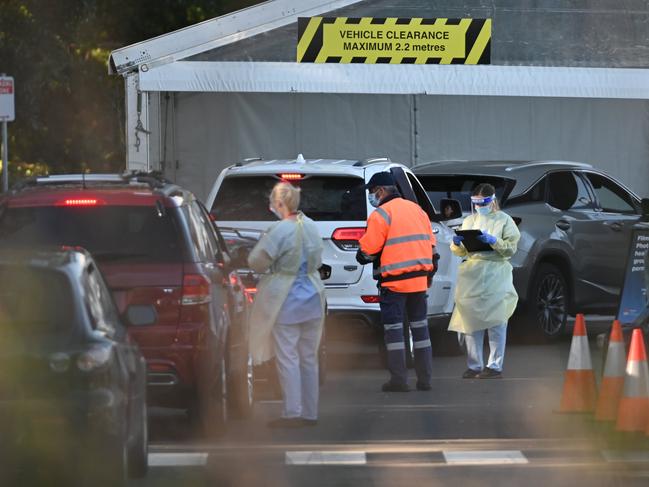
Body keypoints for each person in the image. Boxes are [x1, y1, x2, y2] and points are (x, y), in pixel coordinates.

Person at [248, 182, 325, 428]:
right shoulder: (312, 226)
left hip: (287, 298)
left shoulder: (279, 231)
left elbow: (256, 261)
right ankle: (310, 413)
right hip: (313, 295)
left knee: (288, 357)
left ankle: (292, 412)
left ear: (279, 204)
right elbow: (318, 258)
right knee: (309, 357)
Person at [356, 172, 437, 392]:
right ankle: (425, 380)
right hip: (419, 282)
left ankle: (399, 380)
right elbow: (431, 245)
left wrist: (362, 254)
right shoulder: (417, 210)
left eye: (372, 192)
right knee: (420, 331)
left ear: (381, 191)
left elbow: (367, 251)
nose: (372, 196)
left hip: (394, 284)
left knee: (394, 332)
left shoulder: (381, 215)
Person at [449, 183, 520, 379]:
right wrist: (456, 244)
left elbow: (510, 249)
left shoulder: (505, 221)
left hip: (496, 272)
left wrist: (493, 241)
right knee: (471, 320)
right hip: (472, 272)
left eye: (483, 202)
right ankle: (474, 365)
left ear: (492, 200)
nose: (479, 206)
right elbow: (462, 251)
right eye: (476, 203)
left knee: (496, 320)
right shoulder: (469, 221)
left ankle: (495, 366)